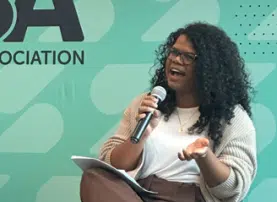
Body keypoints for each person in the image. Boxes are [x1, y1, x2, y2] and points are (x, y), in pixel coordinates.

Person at [80, 22, 257, 202]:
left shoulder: (232, 117)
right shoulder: (146, 103)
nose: (176, 60)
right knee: (94, 177)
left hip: (190, 197)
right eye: (174, 52)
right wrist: (140, 135)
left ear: (210, 68)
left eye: (188, 56)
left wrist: (205, 156)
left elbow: (233, 189)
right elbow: (114, 165)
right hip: (137, 195)